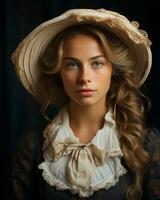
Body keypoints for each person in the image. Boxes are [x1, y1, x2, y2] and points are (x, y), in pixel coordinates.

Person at [12, 8, 160, 200]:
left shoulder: (147, 145)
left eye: (96, 63)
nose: (84, 78)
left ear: (112, 70)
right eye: (72, 65)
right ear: (59, 72)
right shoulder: (34, 146)